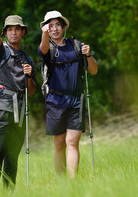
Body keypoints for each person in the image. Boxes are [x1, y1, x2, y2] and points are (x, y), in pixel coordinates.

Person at [38, 10, 98, 178]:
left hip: (76, 100)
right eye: (51, 26)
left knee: (72, 141)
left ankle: (73, 182)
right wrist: (44, 35)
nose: (55, 28)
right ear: (46, 29)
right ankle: (61, 181)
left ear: (63, 27)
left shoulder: (76, 45)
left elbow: (93, 70)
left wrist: (88, 55)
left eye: (58, 24)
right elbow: (42, 49)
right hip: (55, 99)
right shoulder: (47, 47)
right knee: (59, 143)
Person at [0, 15, 36, 192]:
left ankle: (9, 193)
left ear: (23, 32)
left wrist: (29, 76)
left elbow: (31, 91)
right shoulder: (0, 50)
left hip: (19, 111)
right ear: (6, 33)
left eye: (17, 29)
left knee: (12, 156)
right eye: (10, 30)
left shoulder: (27, 58)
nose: (14, 32)